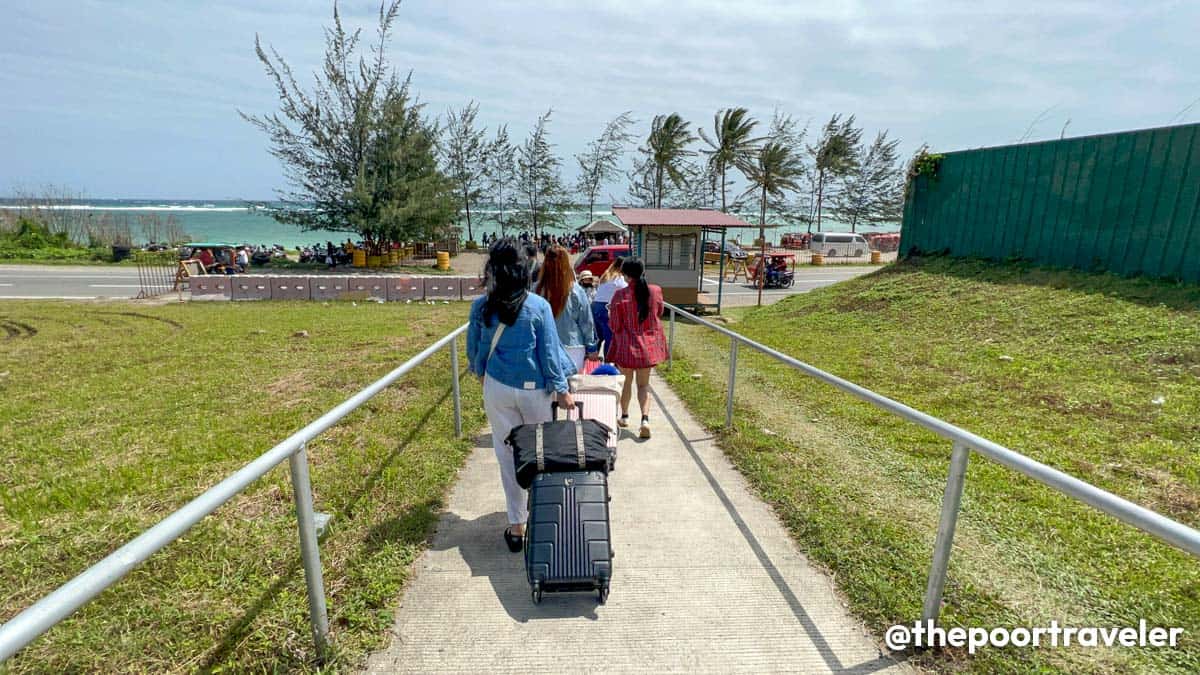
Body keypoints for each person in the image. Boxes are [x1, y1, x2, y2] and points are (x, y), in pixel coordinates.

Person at [467, 237, 574, 553]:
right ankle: (542, 516)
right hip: (535, 391)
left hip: (497, 389)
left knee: (507, 456)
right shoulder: (538, 306)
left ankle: (517, 527)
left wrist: (480, 371)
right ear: (524, 268)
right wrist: (562, 390)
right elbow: (549, 355)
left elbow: (475, 352)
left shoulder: (481, 306)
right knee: (540, 453)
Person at [605, 258, 667, 439]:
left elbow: (615, 326)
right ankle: (645, 420)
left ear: (625, 274)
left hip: (626, 347)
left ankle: (624, 417)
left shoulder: (619, 295)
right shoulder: (655, 291)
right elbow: (660, 312)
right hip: (647, 347)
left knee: (626, 384)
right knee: (644, 385)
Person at [536, 245, 596, 372]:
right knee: (572, 389)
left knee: (547, 390)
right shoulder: (576, 290)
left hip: (543, 345)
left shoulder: (536, 290)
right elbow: (586, 322)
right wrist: (591, 347)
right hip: (573, 346)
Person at [591, 257, 626, 358]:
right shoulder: (618, 277)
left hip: (596, 306)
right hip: (606, 307)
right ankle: (608, 361)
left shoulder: (606, 275)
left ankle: (591, 359)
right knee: (609, 337)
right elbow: (626, 288)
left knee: (598, 337)